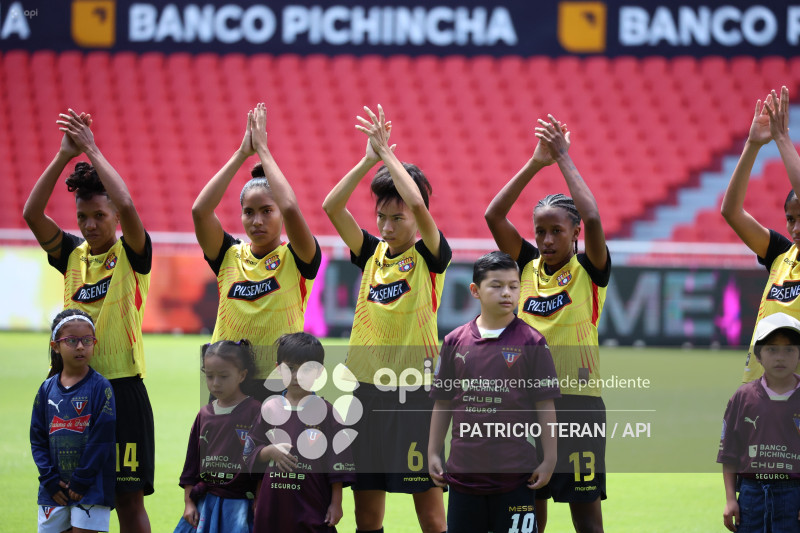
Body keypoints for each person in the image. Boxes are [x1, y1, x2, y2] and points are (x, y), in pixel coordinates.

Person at [23, 109, 153, 532]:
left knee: (128, 500)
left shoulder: (134, 254)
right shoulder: (72, 255)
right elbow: (31, 213)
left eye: (100, 215)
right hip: (72, 393)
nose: (91, 224)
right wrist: (64, 154)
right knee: (71, 497)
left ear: (114, 215)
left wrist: (92, 150)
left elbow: (131, 203)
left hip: (122, 387)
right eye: (83, 217)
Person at [322, 104, 450, 533]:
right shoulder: (370, 253)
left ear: (419, 218)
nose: (388, 225)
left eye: (398, 218)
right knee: (366, 516)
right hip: (365, 395)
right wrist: (368, 159)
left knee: (430, 514)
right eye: (382, 217)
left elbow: (415, 197)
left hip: (415, 394)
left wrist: (390, 156)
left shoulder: (431, 257)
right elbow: (332, 206)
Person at [485, 115, 610, 532]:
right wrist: (536, 163)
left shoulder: (589, 270)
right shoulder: (524, 266)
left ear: (574, 232)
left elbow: (594, 218)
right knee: (527, 515)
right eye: (541, 232)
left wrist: (563, 158)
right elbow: (493, 215)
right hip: (526, 403)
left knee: (586, 519)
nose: (548, 240)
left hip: (577, 402)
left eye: (557, 230)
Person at [192, 103, 321, 401]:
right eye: (249, 212)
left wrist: (263, 149)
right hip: (228, 383)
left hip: (280, 385)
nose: (257, 221)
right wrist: (241, 154)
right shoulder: (228, 254)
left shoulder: (298, 258)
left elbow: (290, 206)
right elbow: (200, 211)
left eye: (266, 211)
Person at [428, 251, 560, 533]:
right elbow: (442, 403)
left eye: (513, 286)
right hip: (463, 477)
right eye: (497, 285)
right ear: (475, 290)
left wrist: (549, 458)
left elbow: (545, 406)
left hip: (516, 477)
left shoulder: (533, 342)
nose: (507, 293)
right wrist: (433, 452)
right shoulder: (454, 341)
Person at [721, 86, 800, 383]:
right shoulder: (781, 255)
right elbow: (731, 212)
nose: (795, 228)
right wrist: (753, 145)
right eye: (790, 219)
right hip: (758, 397)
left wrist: (782, 139)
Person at [243, 333, 356, 532]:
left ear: (320, 372)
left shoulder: (327, 412)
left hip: (312, 503)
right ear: (279, 369)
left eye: (306, 370)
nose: (297, 376)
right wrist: (269, 452)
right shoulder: (269, 408)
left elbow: (338, 463)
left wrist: (336, 503)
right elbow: (250, 454)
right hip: (272, 503)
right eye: (291, 368)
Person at [31, 309, 116, 533]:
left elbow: (103, 439)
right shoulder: (46, 389)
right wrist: (49, 478)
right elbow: (37, 438)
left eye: (87, 340)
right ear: (55, 346)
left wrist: (82, 479)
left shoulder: (101, 388)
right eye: (71, 341)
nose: (80, 346)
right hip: (53, 490)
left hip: (91, 488)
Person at [718, 312, 800, 532]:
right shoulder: (743, 397)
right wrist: (730, 499)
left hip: (795, 496)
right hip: (751, 497)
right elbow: (730, 453)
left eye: (789, 349)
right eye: (772, 349)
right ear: (758, 356)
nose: (780, 357)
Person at [174, 340, 262, 533]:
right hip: (206, 503)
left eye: (223, 376)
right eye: (209, 376)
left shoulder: (256, 412)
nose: (215, 383)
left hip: (241, 506)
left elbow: (262, 467)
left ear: (242, 375)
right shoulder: (204, 414)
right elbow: (191, 465)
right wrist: (189, 503)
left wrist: (259, 498)